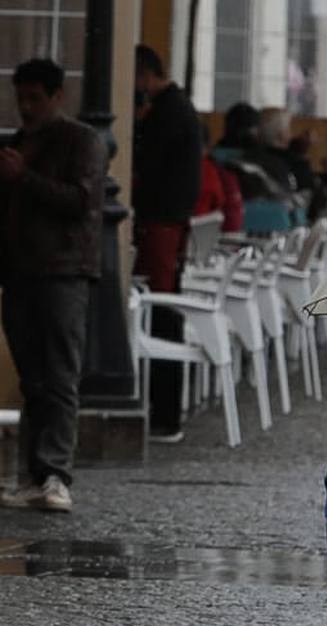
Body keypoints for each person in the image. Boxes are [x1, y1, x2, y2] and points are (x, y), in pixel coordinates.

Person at [0, 59, 105, 512]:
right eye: (20, 98)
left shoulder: (81, 140)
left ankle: (56, 474)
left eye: (35, 99)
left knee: (60, 374)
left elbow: (83, 201)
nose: (26, 108)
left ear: (57, 95)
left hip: (63, 271)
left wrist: (25, 177)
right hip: (21, 271)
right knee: (33, 379)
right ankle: (35, 473)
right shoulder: (21, 143)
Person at [133, 44, 202, 443]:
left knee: (162, 312)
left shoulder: (166, 114)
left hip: (161, 224)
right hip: (171, 223)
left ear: (144, 74)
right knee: (165, 310)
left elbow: (147, 167)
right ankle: (164, 410)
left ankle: (164, 412)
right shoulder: (179, 109)